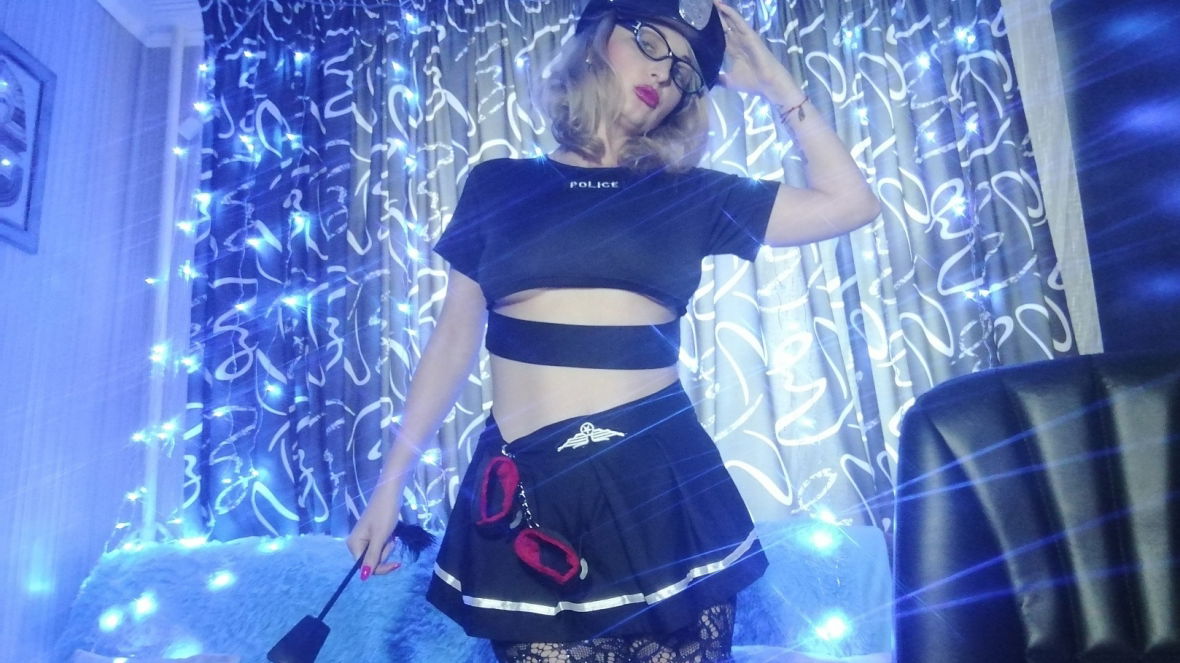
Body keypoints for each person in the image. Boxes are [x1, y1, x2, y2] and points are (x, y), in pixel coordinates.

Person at [347, 0, 880, 660]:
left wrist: (776, 83)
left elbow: (850, 204)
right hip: (531, 492)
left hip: (663, 488)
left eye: (684, 71)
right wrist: (389, 486)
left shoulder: (692, 192)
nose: (665, 74)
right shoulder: (498, 184)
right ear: (599, 38)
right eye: (652, 41)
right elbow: (453, 337)